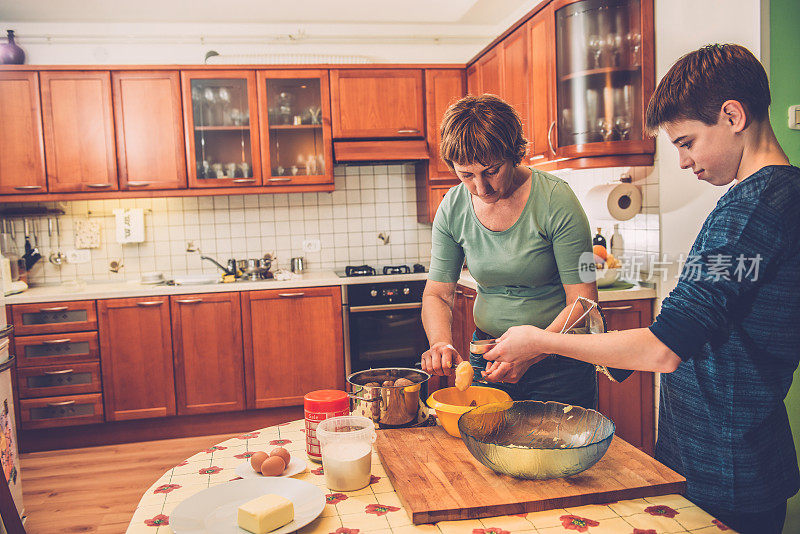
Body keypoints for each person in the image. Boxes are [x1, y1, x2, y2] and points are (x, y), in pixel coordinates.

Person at [481, 44, 799, 534]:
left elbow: (664, 348)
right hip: (737, 448)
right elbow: (711, 326)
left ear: (733, 115)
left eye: (687, 141)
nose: (683, 161)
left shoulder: (750, 211)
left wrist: (539, 340)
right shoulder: (776, 196)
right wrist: (608, 351)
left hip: (723, 462)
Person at [419, 94, 599, 408]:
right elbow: (438, 293)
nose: (480, 188)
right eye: (466, 175)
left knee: (557, 455)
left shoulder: (558, 200)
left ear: (514, 154)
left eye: (491, 171)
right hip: (487, 356)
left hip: (560, 361)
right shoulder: (452, 208)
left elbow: (584, 302)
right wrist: (440, 342)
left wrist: (532, 352)